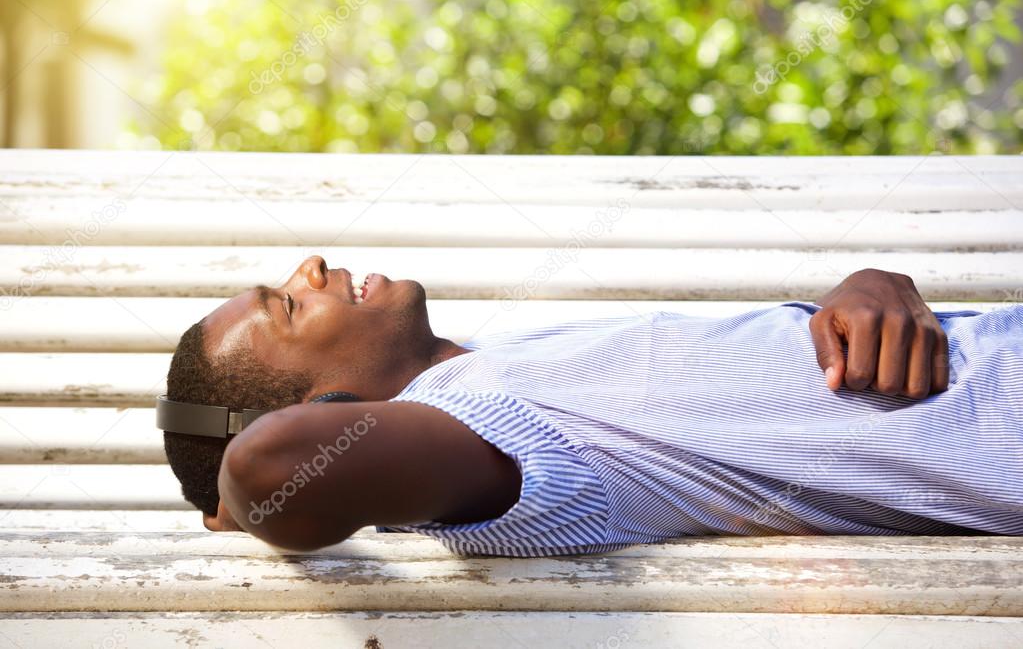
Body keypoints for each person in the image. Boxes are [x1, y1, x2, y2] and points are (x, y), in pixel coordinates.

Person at [163, 256, 1023, 555]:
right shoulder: (488, 440)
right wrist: (234, 506)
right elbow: (268, 467)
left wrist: (864, 292)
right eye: (285, 306)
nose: (309, 267)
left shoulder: (512, 366)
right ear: (328, 407)